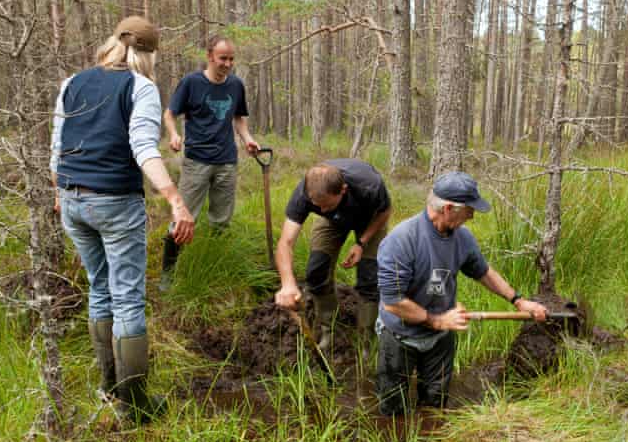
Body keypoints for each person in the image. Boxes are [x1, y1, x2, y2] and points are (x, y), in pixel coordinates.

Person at [51, 16, 196, 423]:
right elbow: (143, 148)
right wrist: (175, 199)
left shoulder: (72, 82)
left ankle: (109, 387)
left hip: (73, 198)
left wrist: (59, 192)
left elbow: (57, 146)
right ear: (147, 54)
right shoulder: (141, 86)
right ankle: (134, 407)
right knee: (128, 297)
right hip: (115, 202)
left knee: (100, 289)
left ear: (113, 43)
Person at [375, 171, 547, 416]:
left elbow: (484, 272)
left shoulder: (462, 237)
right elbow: (393, 302)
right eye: (468, 210)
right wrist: (436, 320)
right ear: (448, 208)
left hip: (440, 338)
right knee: (394, 411)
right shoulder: (402, 240)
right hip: (400, 336)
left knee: (435, 405)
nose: (472, 215)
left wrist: (519, 301)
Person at [159, 36, 259, 289]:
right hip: (196, 161)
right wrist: (173, 134)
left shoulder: (236, 85)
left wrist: (248, 139)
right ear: (210, 56)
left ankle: (216, 265)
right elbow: (170, 114)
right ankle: (168, 274)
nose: (228, 63)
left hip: (227, 161)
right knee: (183, 218)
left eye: (231, 59)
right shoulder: (191, 83)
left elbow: (239, 118)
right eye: (223, 58)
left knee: (221, 220)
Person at [274, 159, 392, 351]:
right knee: (316, 272)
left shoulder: (369, 185)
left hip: (369, 219)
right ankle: (327, 330)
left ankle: (365, 340)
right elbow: (285, 242)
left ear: (343, 190)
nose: (321, 209)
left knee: (369, 278)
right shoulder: (306, 194)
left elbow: (385, 212)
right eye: (316, 205)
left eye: (326, 204)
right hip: (332, 222)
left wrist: (361, 243)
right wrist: (287, 283)